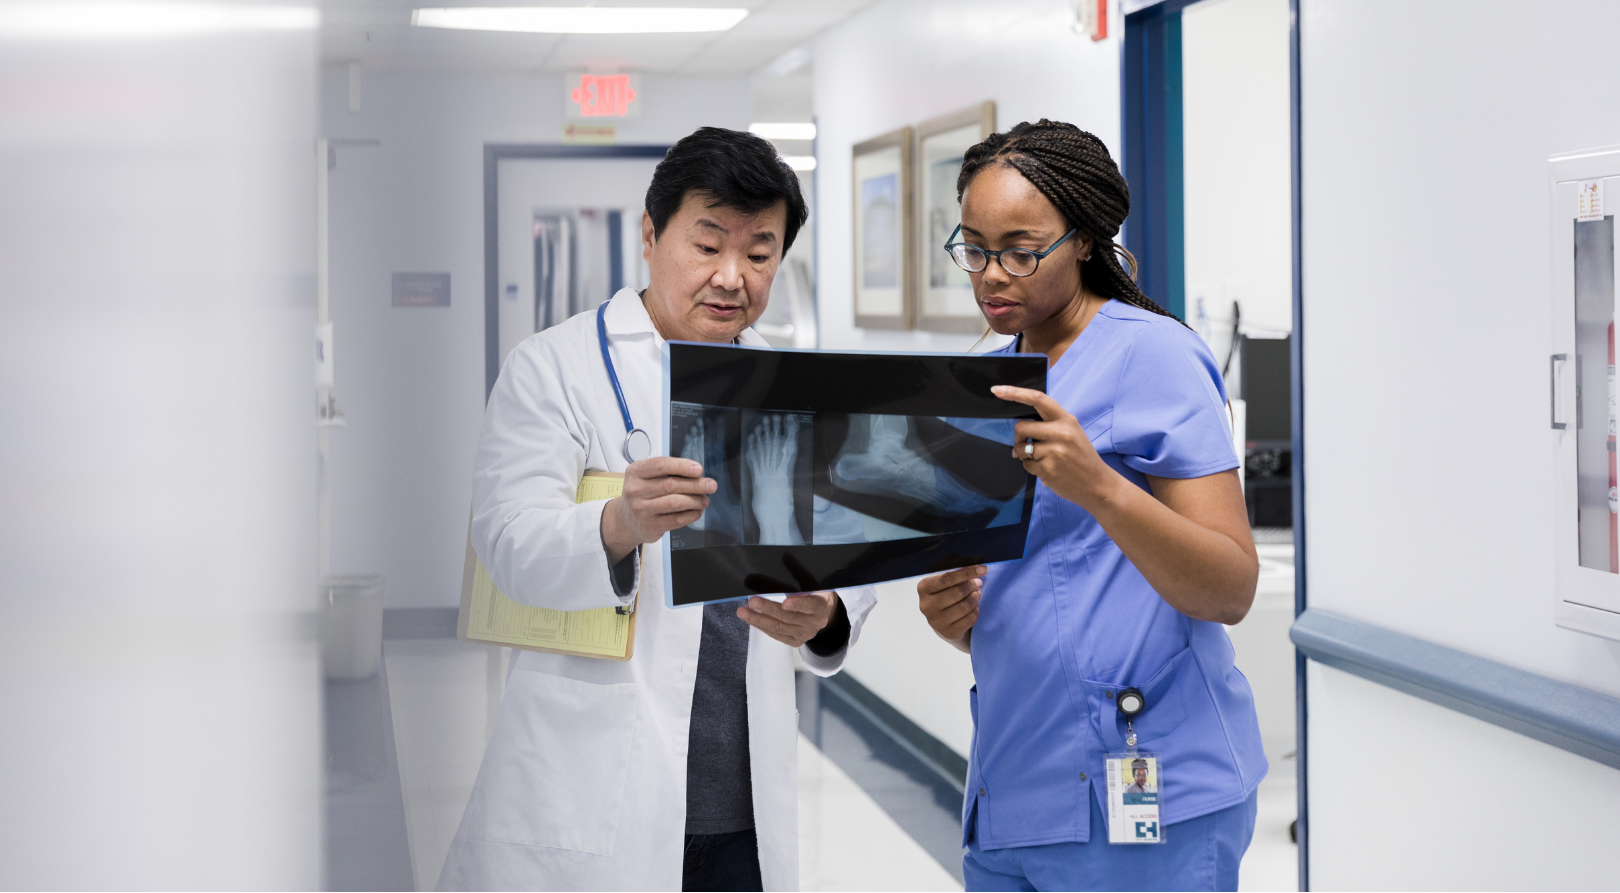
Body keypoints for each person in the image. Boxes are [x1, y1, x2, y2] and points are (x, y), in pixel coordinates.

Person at [439, 127, 877, 893]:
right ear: (650, 234)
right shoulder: (555, 368)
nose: (732, 277)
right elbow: (506, 543)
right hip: (593, 790)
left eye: (760, 252)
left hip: (742, 800)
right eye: (707, 245)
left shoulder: (794, 385)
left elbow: (848, 547)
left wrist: (832, 610)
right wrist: (617, 525)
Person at [916, 120, 1265, 892]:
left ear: (1083, 240)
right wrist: (955, 613)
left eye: (1021, 248)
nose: (991, 275)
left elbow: (1231, 587)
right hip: (1014, 785)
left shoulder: (1155, 355)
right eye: (972, 247)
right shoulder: (992, 378)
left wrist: (1100, 487)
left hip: (1147, 797)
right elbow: (1043, 588)